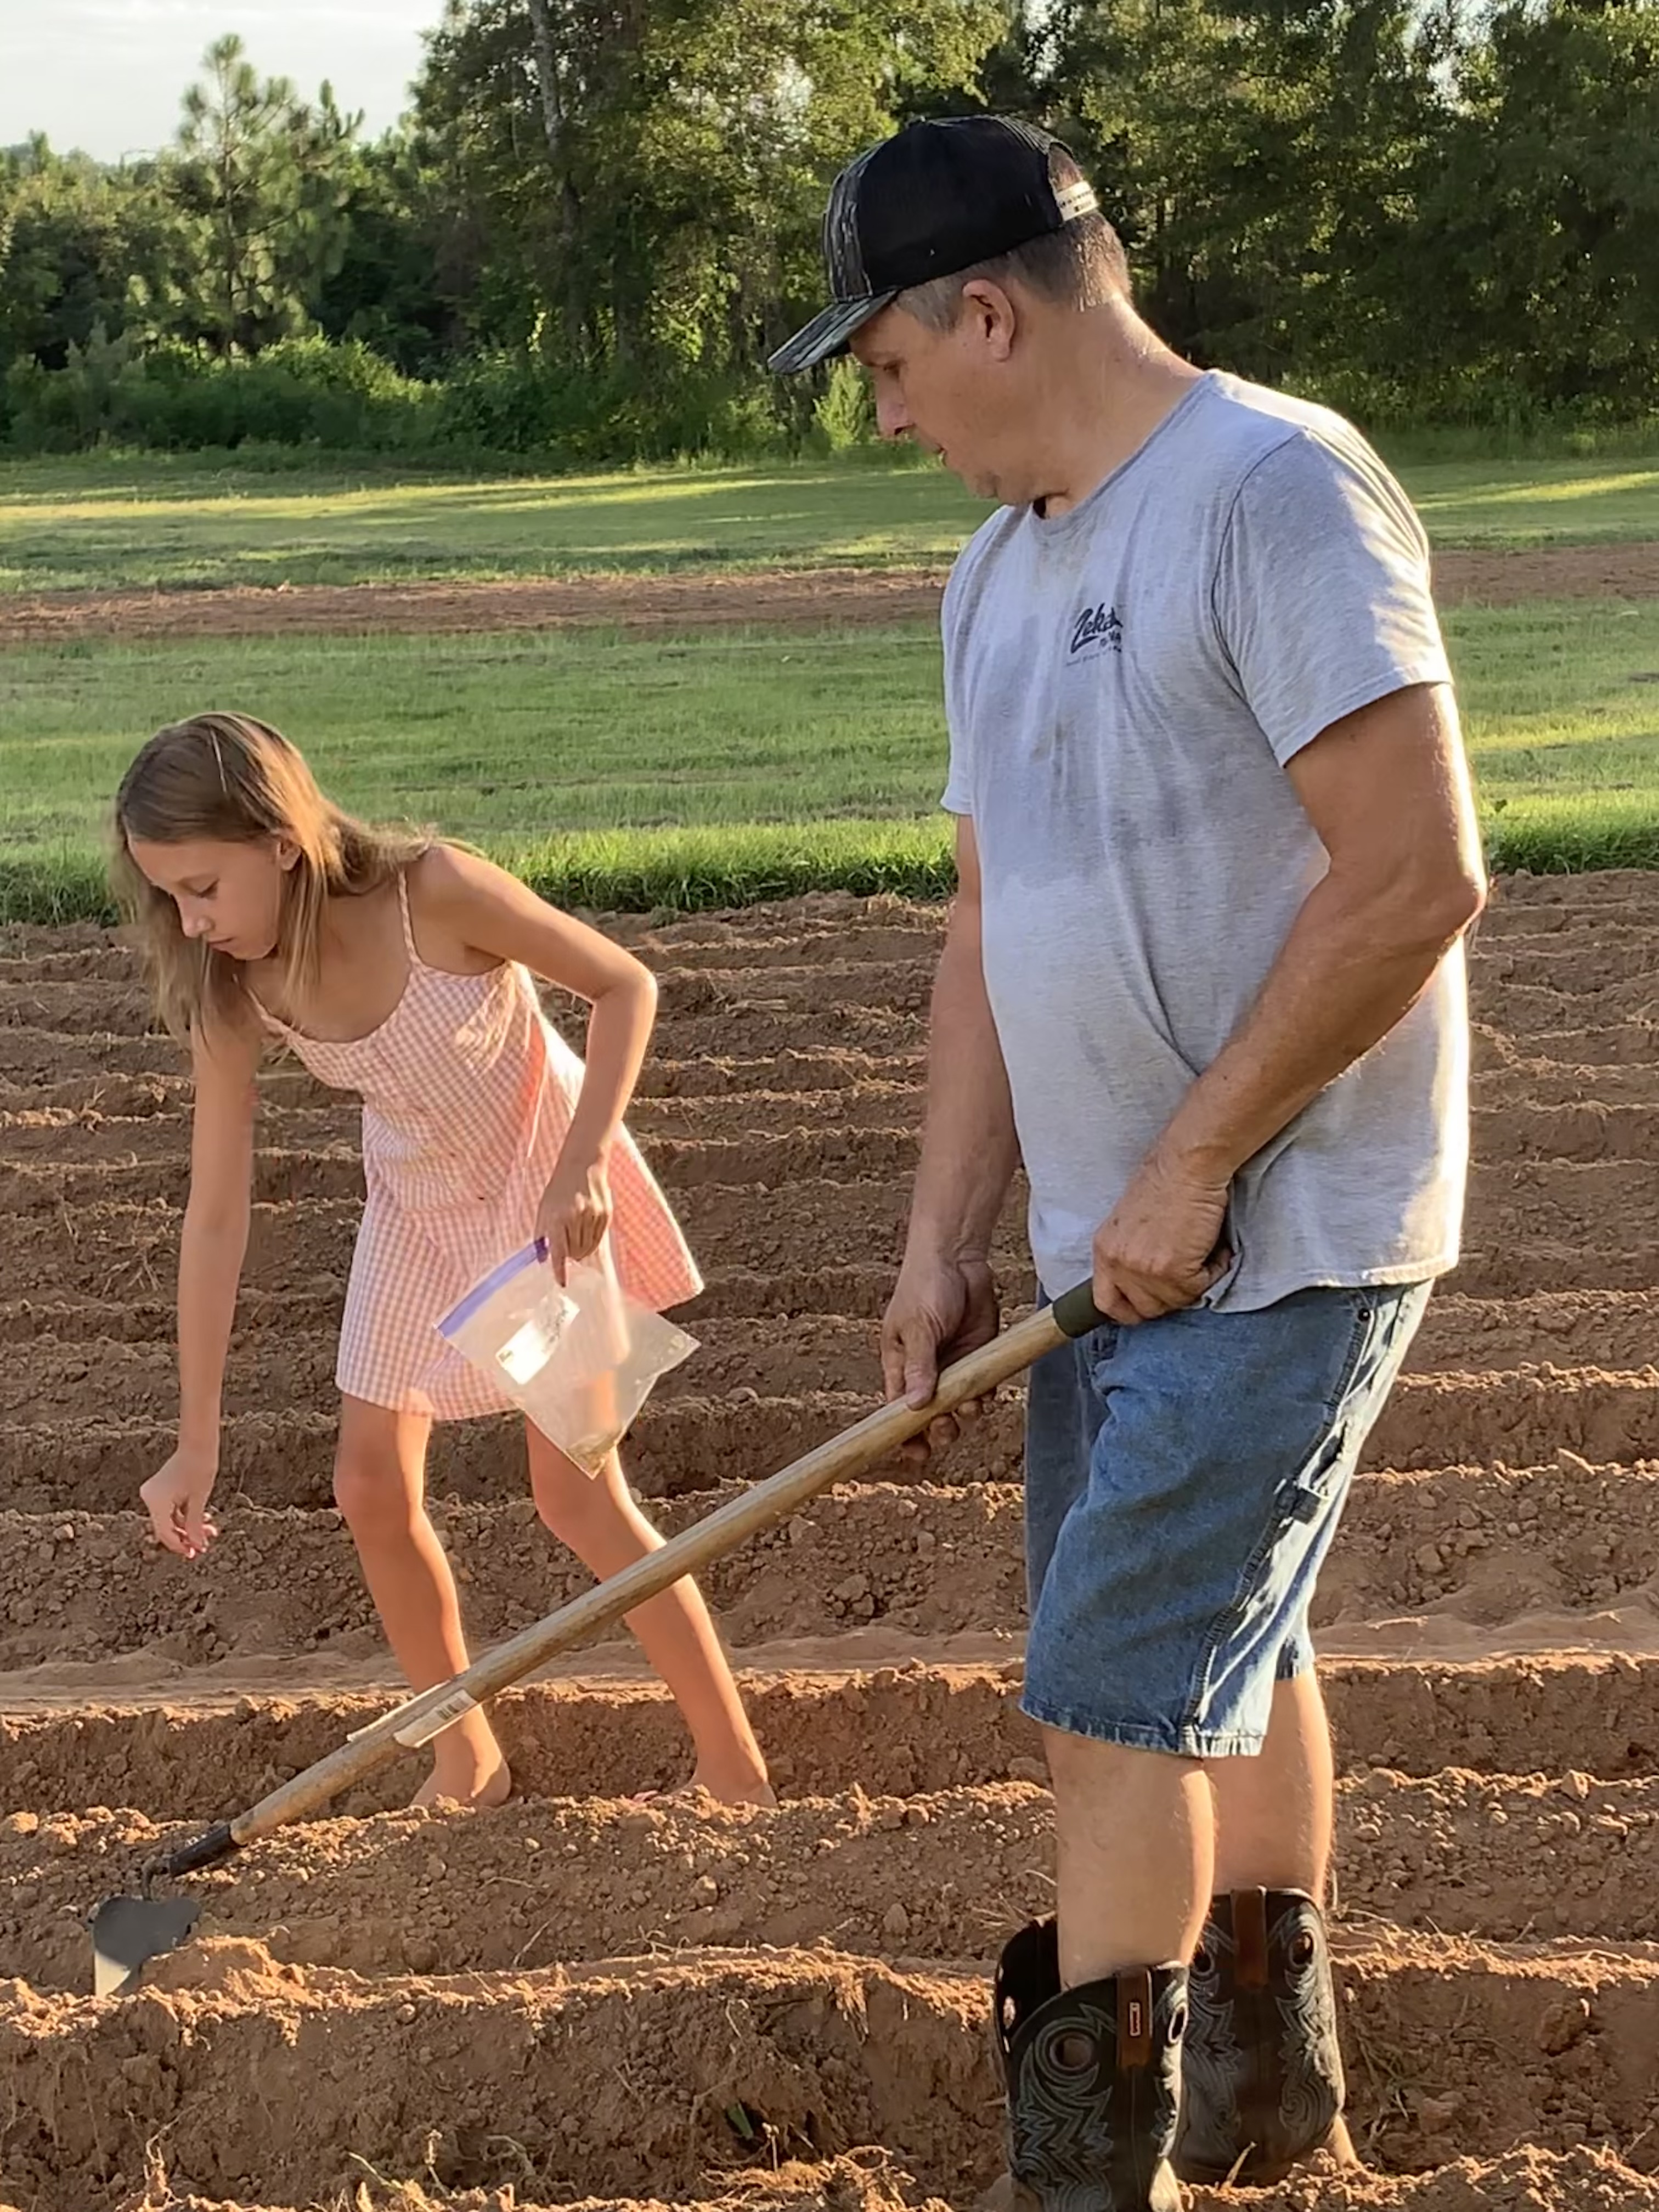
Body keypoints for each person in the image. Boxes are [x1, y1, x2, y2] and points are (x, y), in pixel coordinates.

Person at [774, 117, 1485, 2208]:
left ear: (984, 310)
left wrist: (1187, 1171)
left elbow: (1412, 875)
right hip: (1117, 1243)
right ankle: (1275, 2092)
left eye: (887, 366)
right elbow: (991, 927)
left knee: (1110, 1693)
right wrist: (938, 1239)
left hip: (1280, 1226)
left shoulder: (1269, 491)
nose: (885, 412)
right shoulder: (994, 574)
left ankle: (1098, 2173)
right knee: (1218, 1647)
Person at [113, 712, 773, 1813]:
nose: (190, 920)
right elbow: (216, 1215)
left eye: (204, 887)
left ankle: (733, 1767)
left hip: (537, 1201)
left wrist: (581, 1167)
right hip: (414, 1208)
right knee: (369, 1486)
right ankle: (464, 1753)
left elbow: (624, 989)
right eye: (169, 897)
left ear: (281, 840)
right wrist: (195, 1442)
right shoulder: (233, 989)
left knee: (574, 1495)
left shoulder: (434, 895)